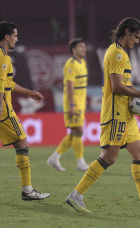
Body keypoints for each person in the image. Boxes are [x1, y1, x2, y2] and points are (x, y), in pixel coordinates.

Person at [66, 17, 140, 212]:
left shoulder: (122, 53)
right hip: (115, 114)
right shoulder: (116, 53)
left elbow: (126, 85)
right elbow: (117, 87)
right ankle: (76, 195)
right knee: (109, 157)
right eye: (136, 37)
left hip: (126, 114)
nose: (137, 41)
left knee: (139, 152)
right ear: (127, 32)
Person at [0, 22, 50, 201]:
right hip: (1, 109)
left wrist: (29, 92)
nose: (16, 39)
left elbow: (7, 84)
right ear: (7, 37)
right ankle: (28, 191)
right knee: (22, 144)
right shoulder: (3, 57)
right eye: (15, 35)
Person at [47, 38, 88, 172]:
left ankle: (54, 157)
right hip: (73, 103)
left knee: (75, 133)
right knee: (78, 131)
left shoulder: (82, 63)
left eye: (84, 46)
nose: (84, 48)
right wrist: (71, 104)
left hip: (80, 103)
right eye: (81, 46)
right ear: (73, 50)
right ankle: (80, 163)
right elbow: (70, 85)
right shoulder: (71, 64)